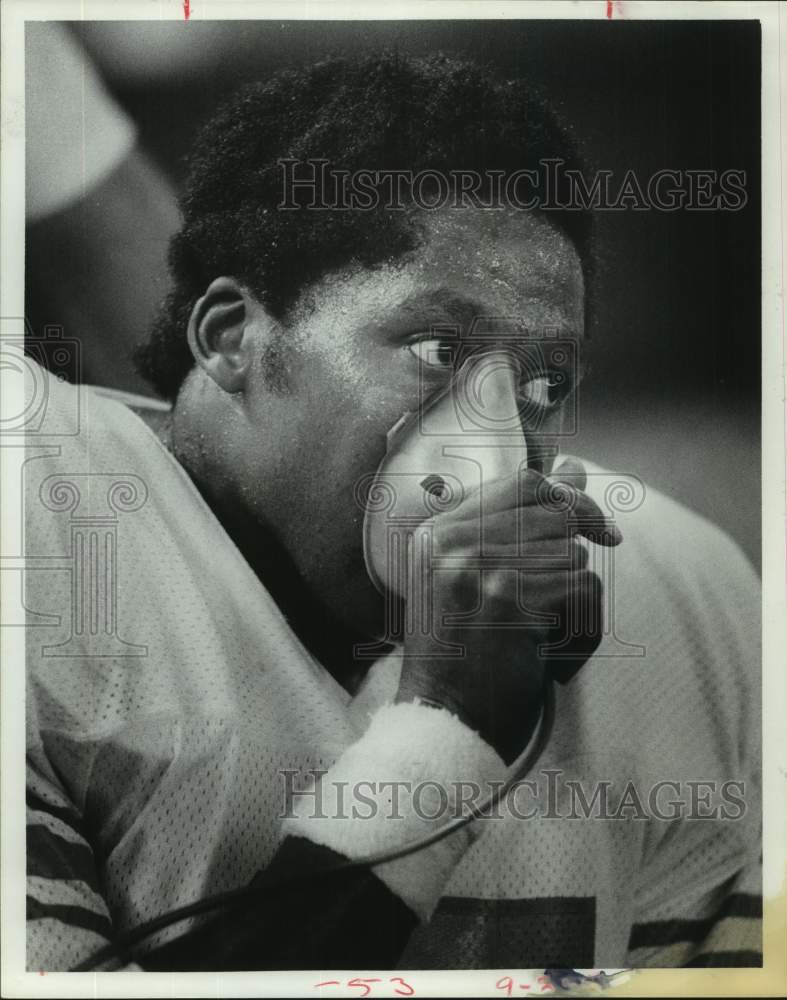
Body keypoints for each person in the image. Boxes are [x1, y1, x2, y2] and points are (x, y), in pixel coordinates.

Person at [24, 53, 761, 972]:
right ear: (231, 336)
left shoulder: (678, 593)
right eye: (433, 344)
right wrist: (447, 735)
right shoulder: (44, 546)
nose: (491, 443)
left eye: (542, 382)